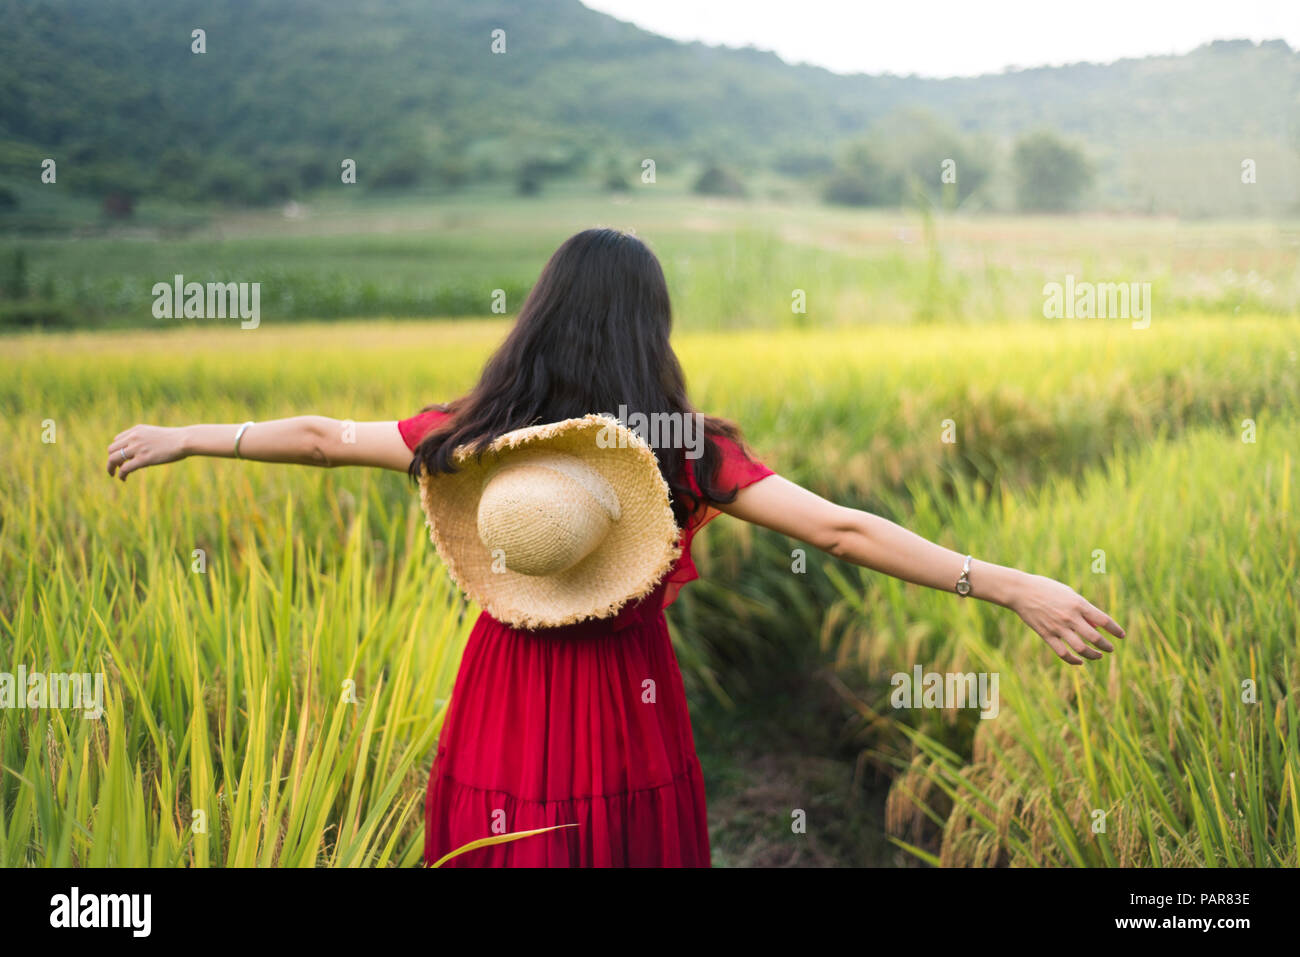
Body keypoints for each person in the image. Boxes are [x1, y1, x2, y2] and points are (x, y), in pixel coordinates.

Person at [106, 227, 1124, 867]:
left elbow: (327, 440)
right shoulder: (689, 452)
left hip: (501, 678)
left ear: (539, 318)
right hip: (625, 692)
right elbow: (838, 529)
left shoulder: (475, 428)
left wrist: (190, 437)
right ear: (654, 324)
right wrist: (1005, 583)